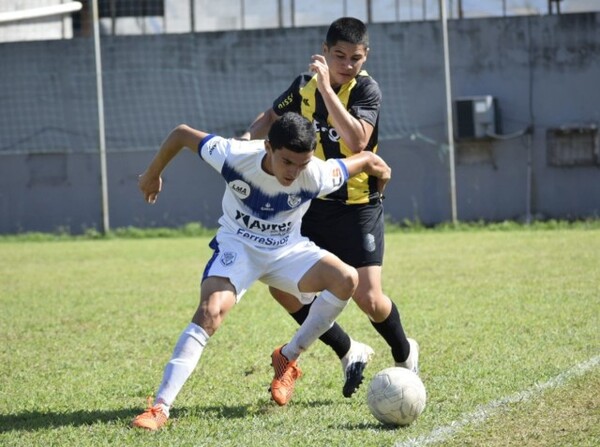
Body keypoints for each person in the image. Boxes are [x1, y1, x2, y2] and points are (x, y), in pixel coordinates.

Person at [132, 112, 392, 431]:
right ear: (268, 146)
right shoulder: (234, 155)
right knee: (210, 312)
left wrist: (380, 171)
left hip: (286, 251)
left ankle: (289, 356)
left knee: (347, 278)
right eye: (287, 162)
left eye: (303, 163)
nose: (295, 172)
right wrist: (152, 173)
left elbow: (364, 160)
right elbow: (182, 134)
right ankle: (160, 407)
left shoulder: (318, 173)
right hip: (239, 248)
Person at [240, 17, 419, 397]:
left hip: (358, 205)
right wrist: (244, 140)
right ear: (325, 51)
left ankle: (405, 354)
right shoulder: (303, 87)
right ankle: (347, 350)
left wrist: (327, 88)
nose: (346, 64)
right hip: (311, 204)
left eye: (355, 57)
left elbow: (357, 142)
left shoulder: (367, 90)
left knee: (369, 299)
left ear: (365, 56)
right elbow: (272, 117)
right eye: (339, 55)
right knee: (281, 287)